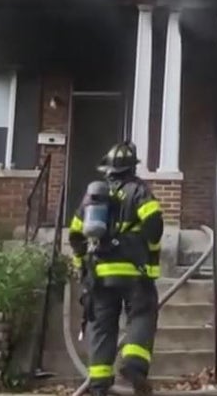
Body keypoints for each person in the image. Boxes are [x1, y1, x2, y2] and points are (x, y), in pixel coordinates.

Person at [68, 142, 164, 396]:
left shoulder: (93, 198)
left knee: (102, 327)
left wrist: (81, 266)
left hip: (99, 274)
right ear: (132, 168)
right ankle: (133, 365)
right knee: (142, 315)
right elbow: (155, 227)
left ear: (108, 169)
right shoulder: (138, 190)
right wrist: (146, 248)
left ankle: (99, 384)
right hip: (134, 272)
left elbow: (76, 234)